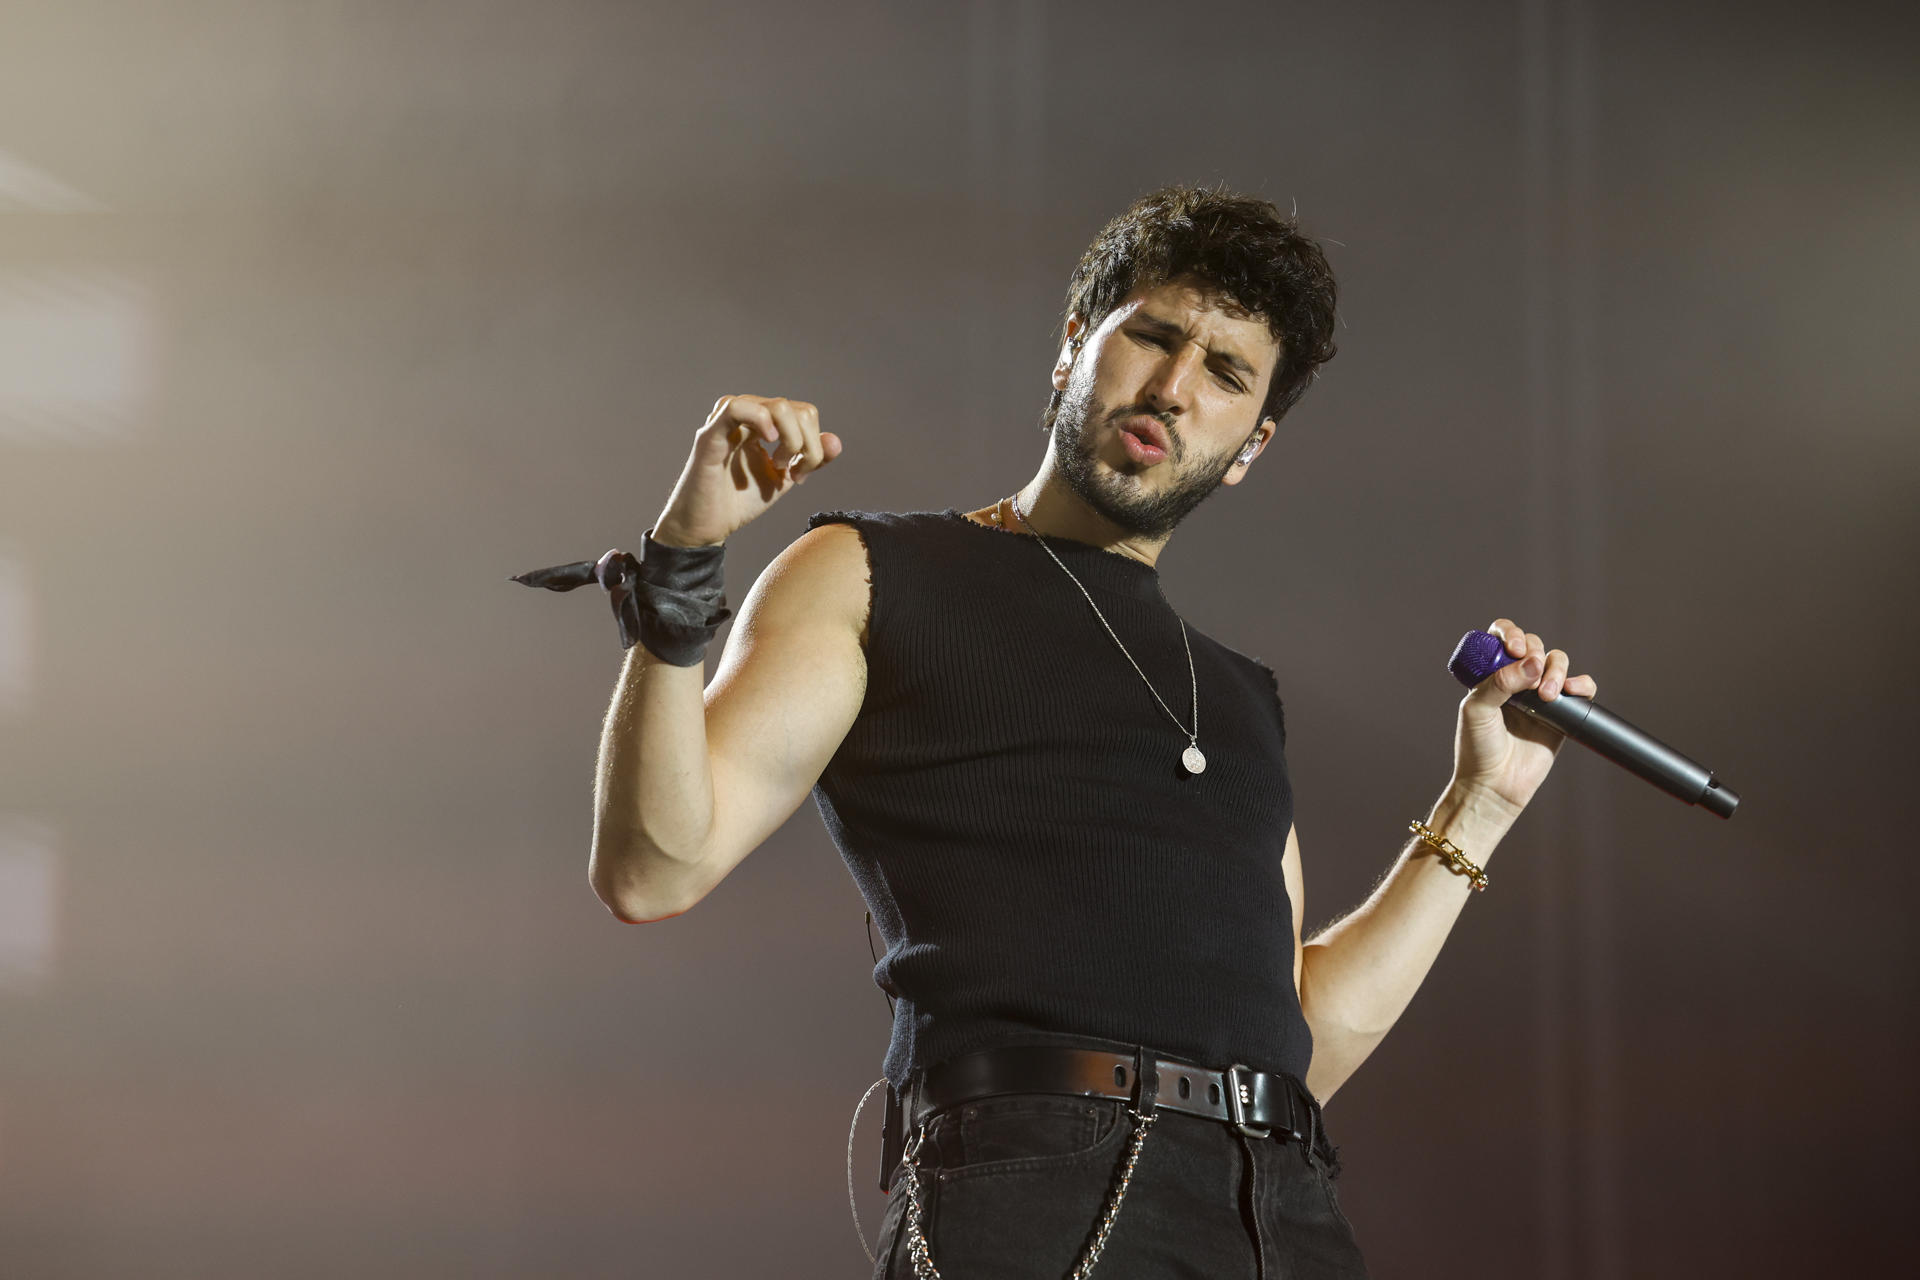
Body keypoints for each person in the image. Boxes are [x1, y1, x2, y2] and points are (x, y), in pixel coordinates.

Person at [584, 185, 1595, 1279]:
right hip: (1042, 1192)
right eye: (1151, 336)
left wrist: (1478, 808)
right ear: (1074, 348)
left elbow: (1294, 1044)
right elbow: (654, 866)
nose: (1173, 384)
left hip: (1284, 1216)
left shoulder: (1240, 695)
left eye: (1225, 373)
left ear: (1251, 444)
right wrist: (682, 570)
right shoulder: (877, 572)